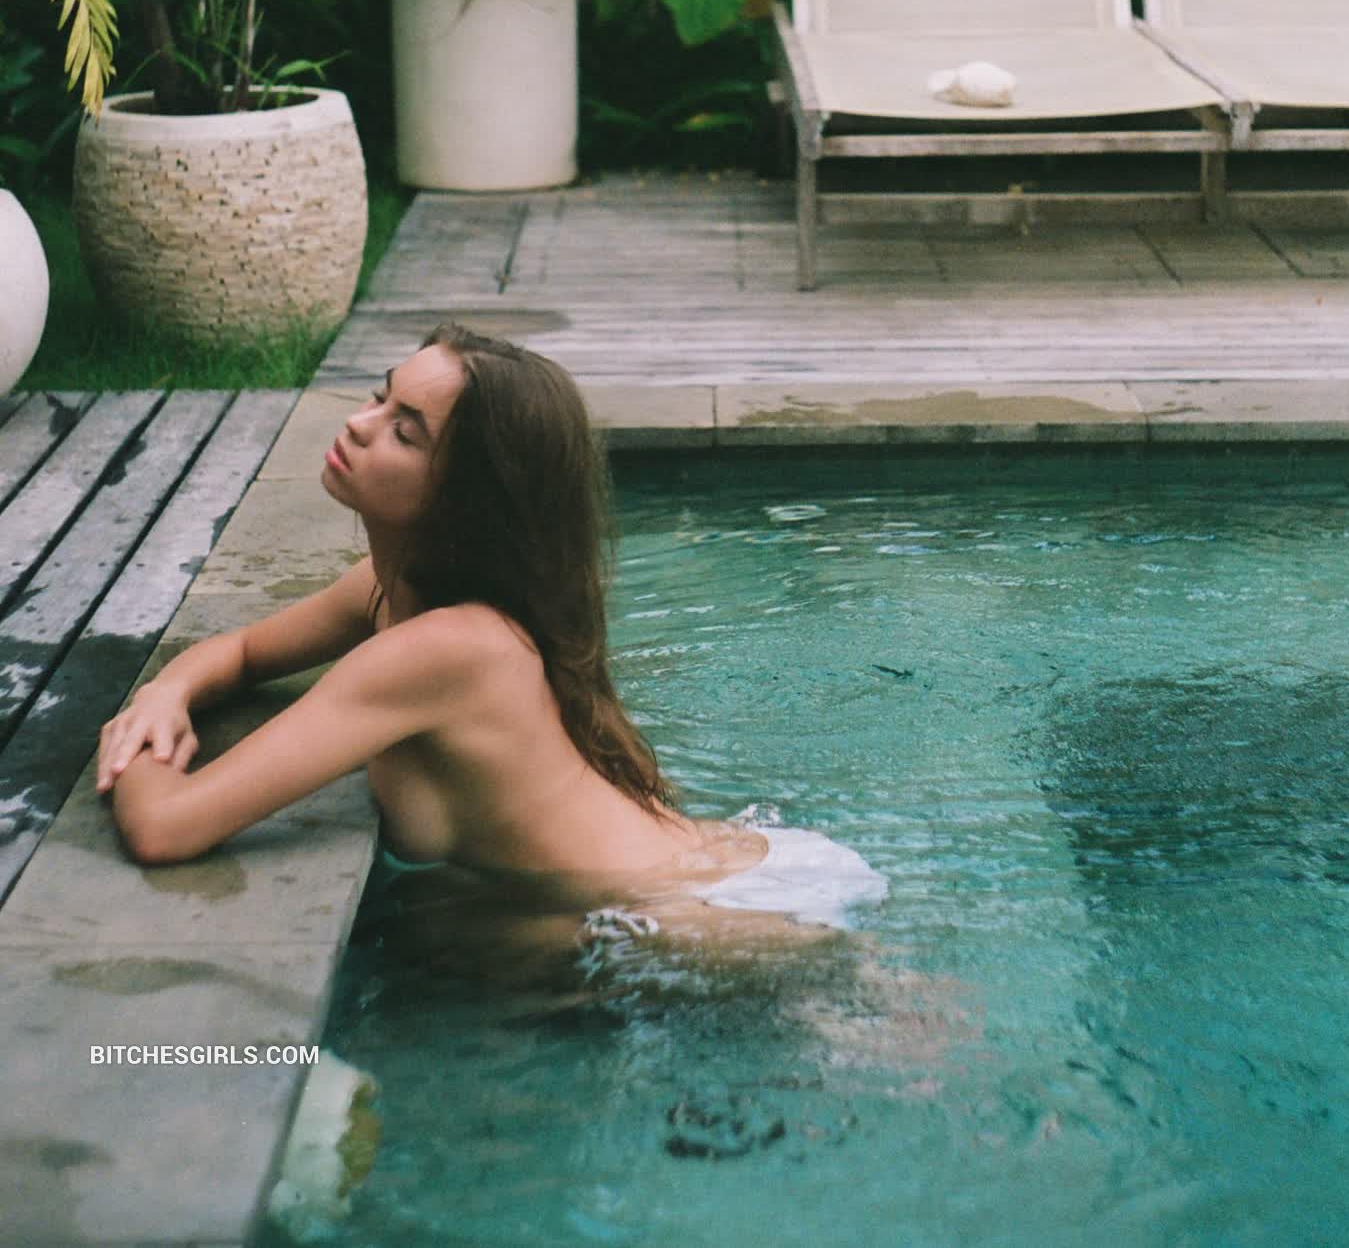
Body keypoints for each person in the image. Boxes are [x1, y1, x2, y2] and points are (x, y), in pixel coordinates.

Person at [96, 326, 887, 949]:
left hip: (730, 913)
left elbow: (167, 826)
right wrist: (166, 693)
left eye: (405, 432)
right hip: (695, 878)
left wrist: (126, 739)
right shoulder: (388, 593)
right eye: (378, 397)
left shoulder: (446, 650)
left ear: (467, 498)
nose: (358, 424)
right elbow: (241, 653)